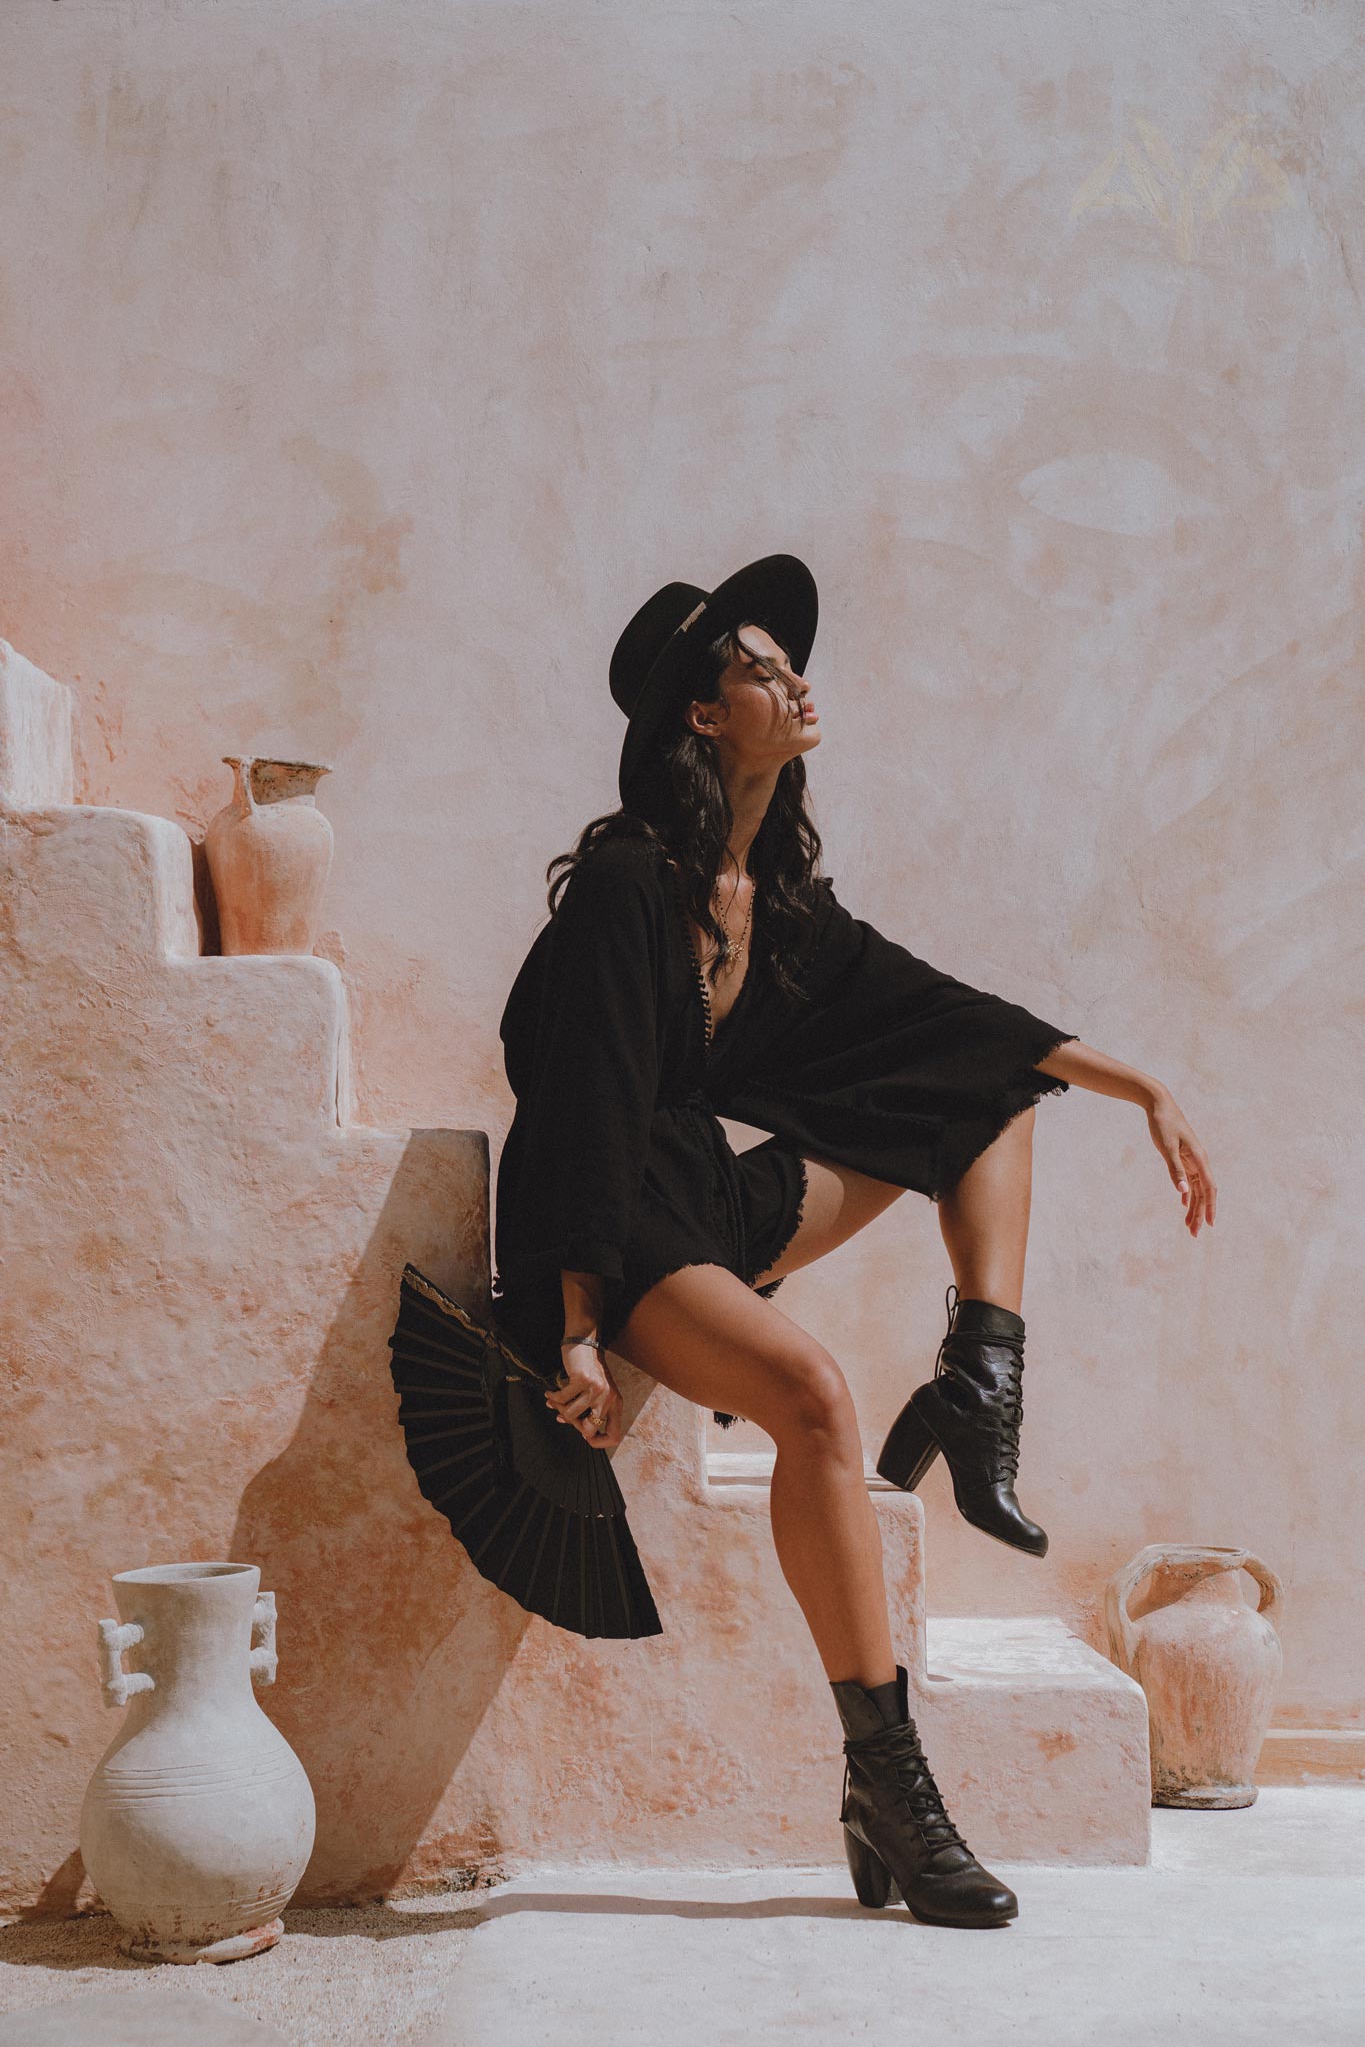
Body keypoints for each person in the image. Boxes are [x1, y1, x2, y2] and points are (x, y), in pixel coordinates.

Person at [490, 553, 1217, 1929]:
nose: (793, 681)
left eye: (785, 663)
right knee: (816, 1396)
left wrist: (1146, 1092)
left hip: (709, 1197)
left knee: (986, 1085)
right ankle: (887, 1778)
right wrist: (578, 1316)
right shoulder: (627, 884)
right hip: (618, 1227)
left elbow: (960, 1022)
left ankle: (974, 1379)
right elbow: (576, 1096)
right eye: (760, 669)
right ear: (700, 717)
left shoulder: (785, 911)